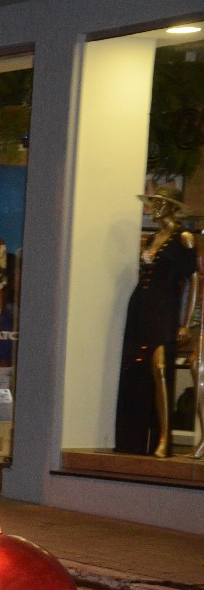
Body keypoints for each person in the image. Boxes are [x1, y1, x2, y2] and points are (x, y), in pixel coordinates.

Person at [114, 186, 197, 457]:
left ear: (173, 207)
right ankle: (133, 438)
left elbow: (193, 280)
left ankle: (163, 437)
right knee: (137, 372)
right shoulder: (152, 237)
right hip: (142, 306)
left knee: (160, 368)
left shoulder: (183, 238)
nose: (156, 206)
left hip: (165, 310)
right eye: (154, 201)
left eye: (162, 202)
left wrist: (185, 322)